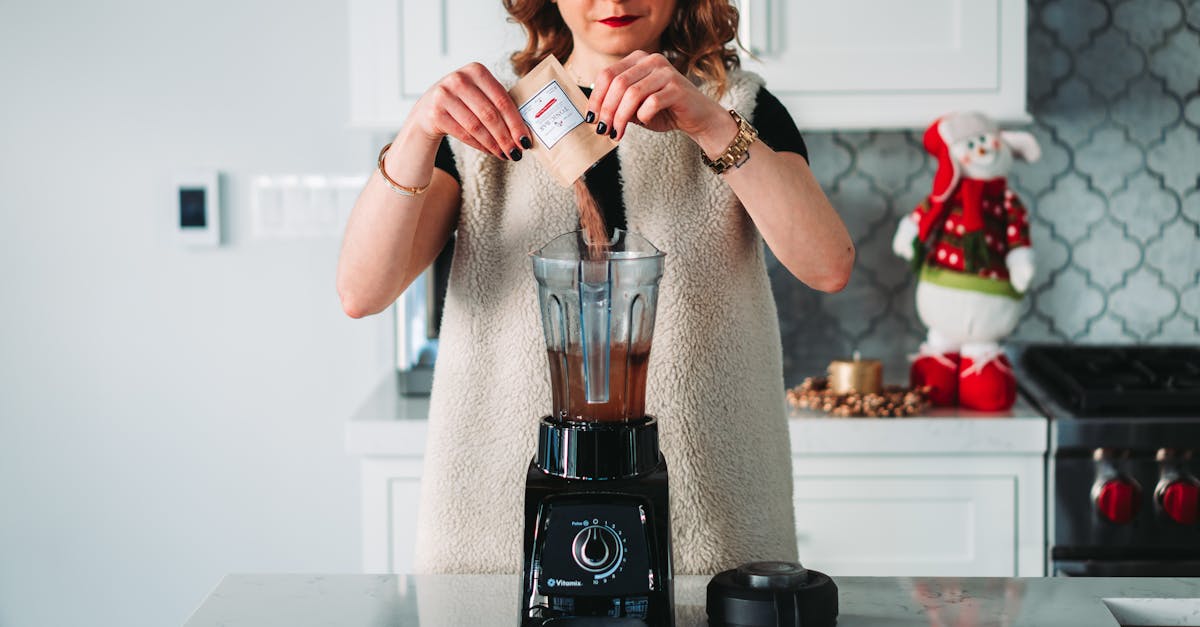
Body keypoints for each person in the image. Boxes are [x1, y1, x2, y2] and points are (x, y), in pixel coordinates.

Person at [336, 0, 854, 575]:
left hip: (709, 520)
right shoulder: (486, 121)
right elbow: (362, 291)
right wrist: (418, 130)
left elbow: (827, 266)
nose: (614, 2)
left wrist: (709, 123)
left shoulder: (736, 108)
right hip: (498, 528)